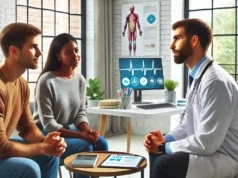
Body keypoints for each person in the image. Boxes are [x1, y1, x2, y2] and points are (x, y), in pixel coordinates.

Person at [144, 18, 238, 178]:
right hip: (209, 149)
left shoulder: (215, 82)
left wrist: (163, 147)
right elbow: (188, 125)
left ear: (194, 40)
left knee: (163, 162)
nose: (171, 45)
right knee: (156, 151)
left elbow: (207, 142)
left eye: (177, 39)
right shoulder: (198, 75)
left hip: (226, 157)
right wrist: (162, 140)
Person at [33, 33, 109, 178]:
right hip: (44, 132)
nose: (75, 55)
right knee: (84, 146)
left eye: (76, 50)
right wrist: (80, 135)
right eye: (68, 52)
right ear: (58, 56)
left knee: (101, 143)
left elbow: (80, 112)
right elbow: (48, 124)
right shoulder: (46, 81)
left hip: (66, 128)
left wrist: (87, 131)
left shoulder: (80, 79)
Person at [0, 22, 67, 178]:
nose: (40, 53)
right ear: (14, 51)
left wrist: (46, 141)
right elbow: (2, 147)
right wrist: (42, 147)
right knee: (28, 168)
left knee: (49, 156)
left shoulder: (21, 84)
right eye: (33, 47)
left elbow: (27, 127)